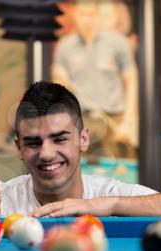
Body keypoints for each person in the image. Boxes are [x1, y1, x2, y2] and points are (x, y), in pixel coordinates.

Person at [0, 81, 161, 218]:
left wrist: (109, 205)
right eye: (33, 143)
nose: (46, 154)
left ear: (83, 139)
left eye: (59, 139)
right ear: (19, 148)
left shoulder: (107, 194)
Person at [52, 1, 138, 159]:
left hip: (114, 120)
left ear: (97, 15)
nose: (86, 19)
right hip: (81, 121)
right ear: (74, 15)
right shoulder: (65, 46)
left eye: (90, 14)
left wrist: (129, 121)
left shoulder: (118, 43)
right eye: (82, 14)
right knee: (82, 178)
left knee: (120, 177)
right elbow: (58, 84)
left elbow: (132, 82)